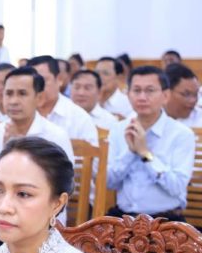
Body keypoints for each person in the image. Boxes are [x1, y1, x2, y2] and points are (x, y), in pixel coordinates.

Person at [0, 67, 73, 253]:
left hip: (42, 229)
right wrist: (6, 155)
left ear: (39, 98)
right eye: (9, 93)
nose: (14, 101)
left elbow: (63, 191)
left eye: (22, 94)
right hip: (1, 226)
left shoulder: (55, 136)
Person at [106, 66, 194, 222]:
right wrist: (130, 152)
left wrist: (145, 154)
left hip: (166, 221)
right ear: (128, 95)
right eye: (136, 90)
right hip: (123, 219)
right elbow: (109, 182)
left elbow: (177, 187)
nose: (142, 97)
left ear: (165, 96)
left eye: (150, 90)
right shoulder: (118, 130)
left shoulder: (182, 134)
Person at [27, 56, 98, 147]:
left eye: (43, 81)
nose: (37, 87)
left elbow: (92, 155)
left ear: (59, 79)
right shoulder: (19, 114)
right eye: (32, 82)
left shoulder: (79, 119)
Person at [164, 63, 200, 127]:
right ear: (166, 94)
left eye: (195, 94)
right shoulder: (149, 118)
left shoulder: (199, 118)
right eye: (186, 94)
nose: (193, 100)